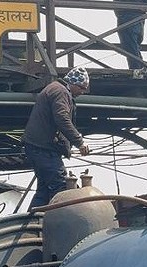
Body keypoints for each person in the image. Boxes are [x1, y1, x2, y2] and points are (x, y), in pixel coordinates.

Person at [23, 67, 91, 210]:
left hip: (37, 147)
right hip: (44, 148)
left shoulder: (55, 88)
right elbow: (62, 118)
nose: (82, 92)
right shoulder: (61, 92)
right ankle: (62, 224)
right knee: (60, 186)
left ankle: (31, 223)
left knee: (44, 190)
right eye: (82, 88)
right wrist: (79, 142)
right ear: (73, 83)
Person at [113, 0, 147, 73]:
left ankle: (137, 69)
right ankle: (138, 68)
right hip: (135, 14)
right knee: (132, 45)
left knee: (130, 45)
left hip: (129, 15)